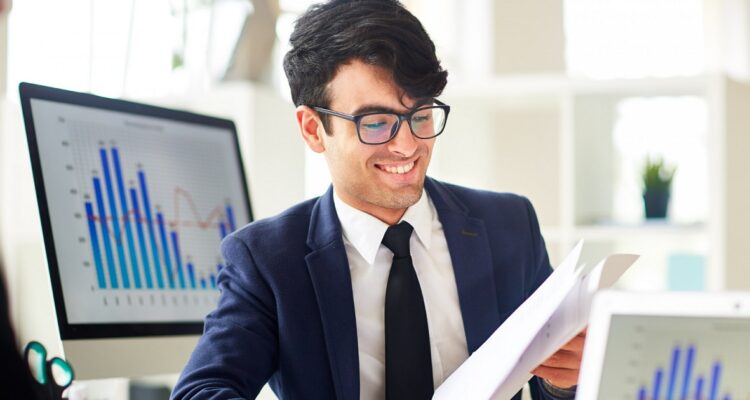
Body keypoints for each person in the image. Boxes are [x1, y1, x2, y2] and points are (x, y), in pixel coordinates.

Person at [172, 1, 585, 399]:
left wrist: (563, 382)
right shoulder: (267, 260)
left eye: (420, 115)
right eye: (376, 122)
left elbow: (555, 386)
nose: (407, 146)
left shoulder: (509, 226)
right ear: (313, 129)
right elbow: (200, 391)